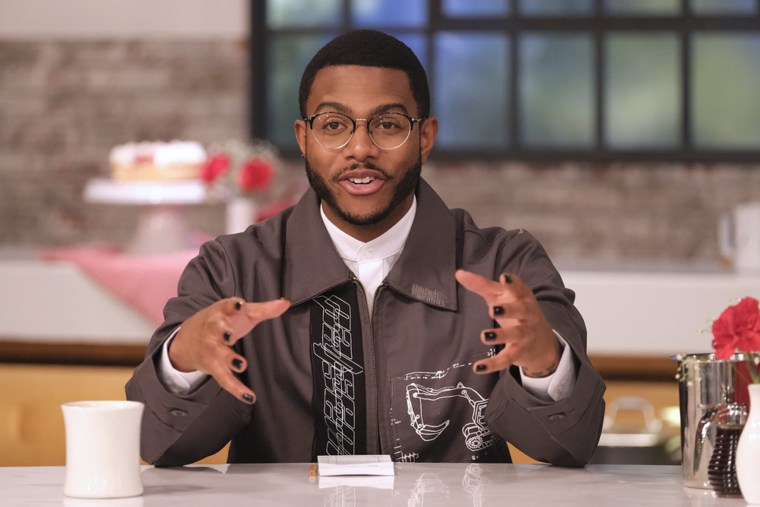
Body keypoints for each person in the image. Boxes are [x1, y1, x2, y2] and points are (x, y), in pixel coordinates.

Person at [126, 29, 605, 467]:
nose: (360, 149)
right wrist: (183, 360)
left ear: (425, 138)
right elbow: (157, 445)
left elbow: (570, 445)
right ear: (304, 139)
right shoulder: (233, 269)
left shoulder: (504, 265)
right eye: (334, 126)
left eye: (388, 125)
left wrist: (544, 362)